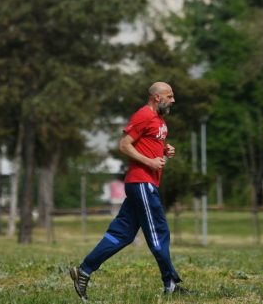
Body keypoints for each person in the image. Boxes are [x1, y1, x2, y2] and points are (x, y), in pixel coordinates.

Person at [70, 82, 190, 300]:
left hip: (145, 185)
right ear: (157, 98)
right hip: (142, 183)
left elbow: (149, 142)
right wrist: (150, 163)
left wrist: (165, 149)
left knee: (122, 234)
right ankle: (170, 284)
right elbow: (125, 145)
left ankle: (84, 271)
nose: (173, 100)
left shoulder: (159, 120)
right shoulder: (143, 115)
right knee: (158, 233)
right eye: (170, 96)